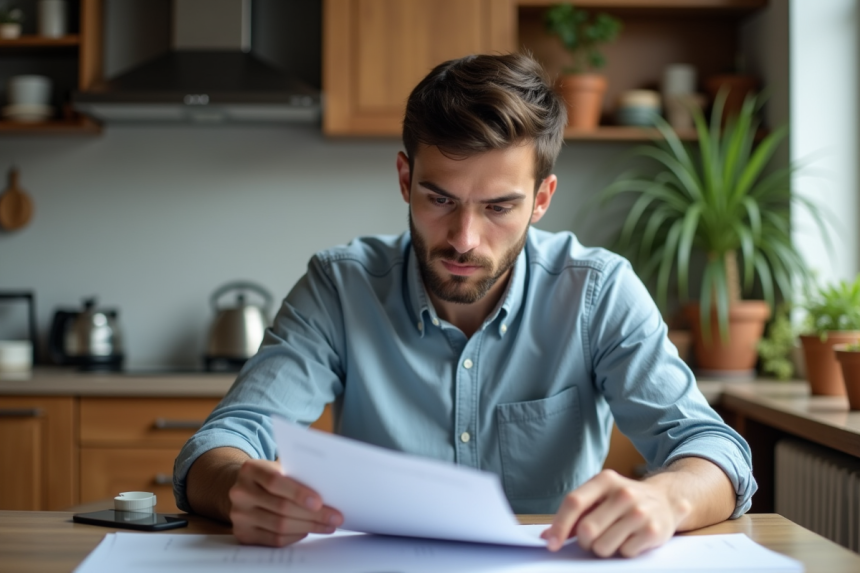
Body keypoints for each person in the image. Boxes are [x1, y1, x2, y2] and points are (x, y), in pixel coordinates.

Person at [174, 52, 756, 558]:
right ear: (405, 179)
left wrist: (666, 496)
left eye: (499, 207)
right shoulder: (340, 287)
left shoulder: (597, 291)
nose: (463, 239)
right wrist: (238, 487)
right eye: (439, 199)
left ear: (542, 200)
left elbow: (714, 449)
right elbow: (223, 440)